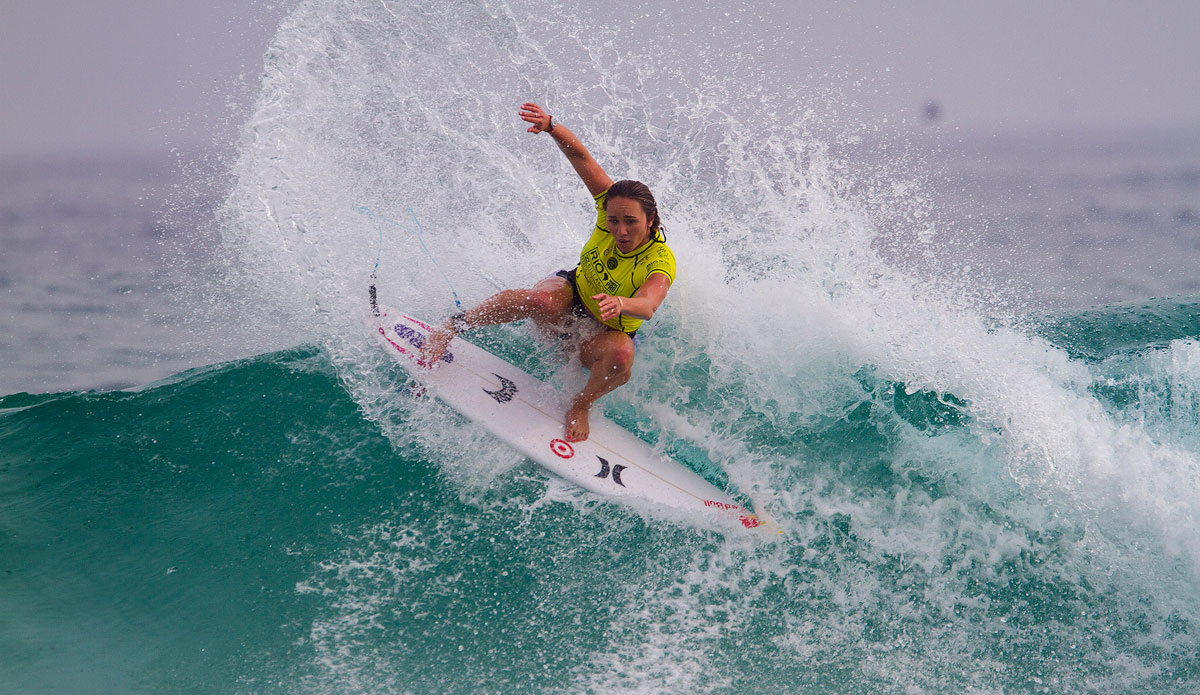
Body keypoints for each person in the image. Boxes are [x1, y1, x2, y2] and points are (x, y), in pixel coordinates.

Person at [420, 102, 675, 442]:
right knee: (541, 300)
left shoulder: (659, 259)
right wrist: (552, 126)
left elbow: (648, 304)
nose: (620, 231)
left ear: (650, 221)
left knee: (622, 356)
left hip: (609, 325)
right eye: (614, 221)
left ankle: (581, 404)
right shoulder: (607, 209)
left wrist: (621, 303)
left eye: (631, 222)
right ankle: (453, 325)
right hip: (573, 293)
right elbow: (582, 158)